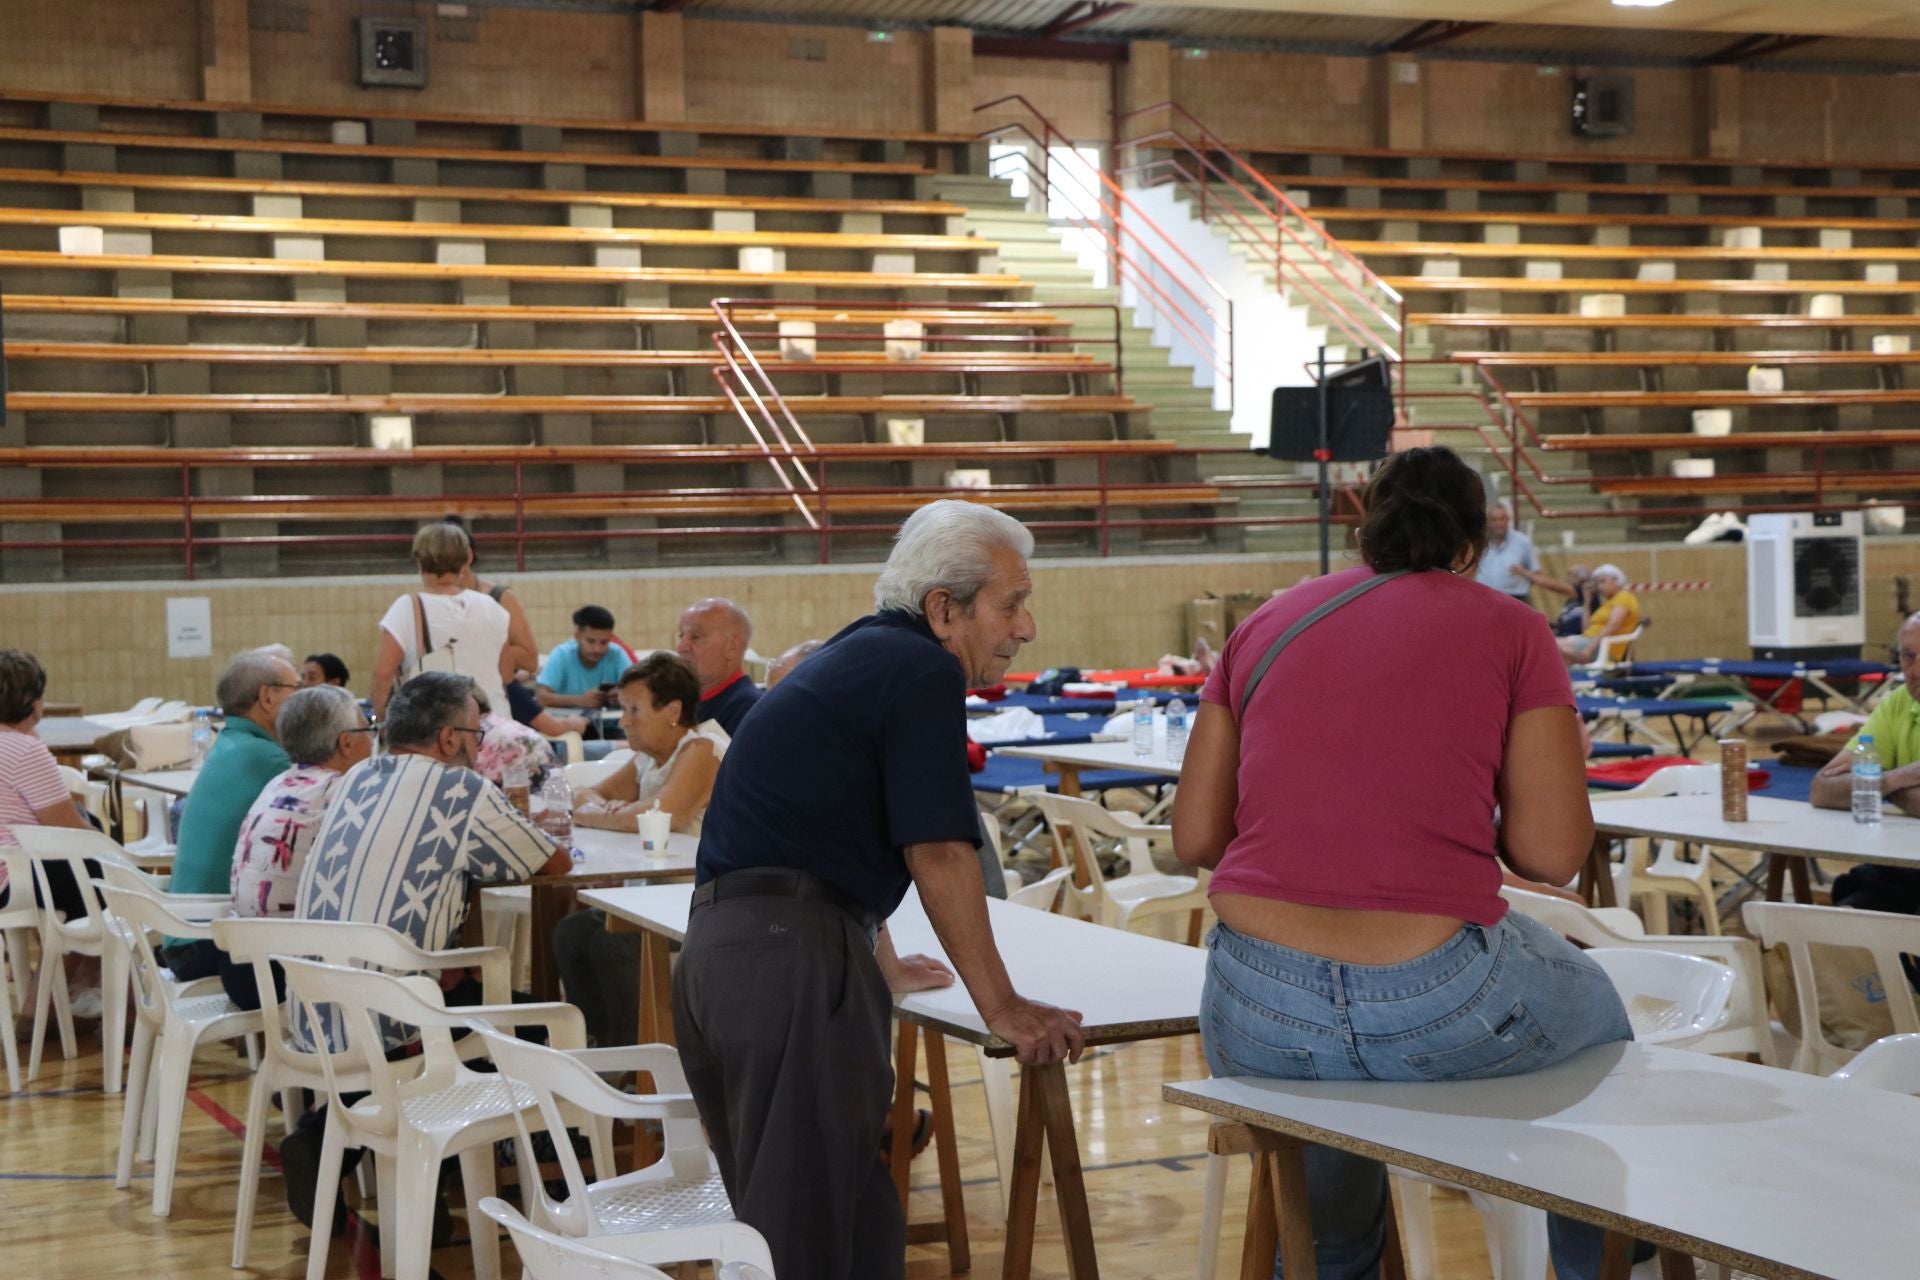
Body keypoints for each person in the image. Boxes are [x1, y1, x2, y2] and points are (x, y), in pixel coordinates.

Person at [1172, 446, 1630, 1280]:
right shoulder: (1514, 628)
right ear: (1474, 544)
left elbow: (1195, 838)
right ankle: (1601, 1267)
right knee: (1601, 1020)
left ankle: (1332, 1257)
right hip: (1439, 1001)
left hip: (1253, 1003)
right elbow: (1553, 855)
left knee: (1329, 1221)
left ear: (1363, 531)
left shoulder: (1265, 624)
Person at [674, 499, 1085, 1280]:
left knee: (851, 1222)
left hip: (741, 954)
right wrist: (1001, 1006)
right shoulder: (922, 667)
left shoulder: (863, 656)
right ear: (943, 608)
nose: (1025, 628)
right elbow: (937, 850)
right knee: (806, 1246)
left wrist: (876, 956)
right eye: (1012, 604)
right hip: (786, 964)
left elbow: (826, 829)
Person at [280, 671, 567, 1228]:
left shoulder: (355, 776)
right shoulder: (460, 790)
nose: (476, 746)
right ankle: (552, 1198)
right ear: (447, 738)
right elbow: (552, 863)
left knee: (461, 988)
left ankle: (362, 1157)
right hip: (391, 1018)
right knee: (541, 1025)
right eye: (474, 734)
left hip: (312, 1007)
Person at [553, 654, 727, 1047]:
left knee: (614, 943)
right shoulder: (649, 757)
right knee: (572, 932)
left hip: (705, 901)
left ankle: (640, 1055)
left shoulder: (703, 748)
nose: (624, 720)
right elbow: (583, 795)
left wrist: (600, 813)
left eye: (634, 709)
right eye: (622, 708)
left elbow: (660, 813)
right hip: (656, 894)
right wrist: (606, 810)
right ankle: (601, 1045)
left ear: (673, 711)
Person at [217, 685, 374, 1011]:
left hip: (239, 966)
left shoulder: (279, 783)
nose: (373, 741)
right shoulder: (342, 791)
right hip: (285, 978)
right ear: (346, 742)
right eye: (367, 730)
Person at [161, 649, 299, 981]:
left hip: (180, 934)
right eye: (298, 690)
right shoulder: (267, 759)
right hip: (206, 941)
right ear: (268, 697)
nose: (304, 702)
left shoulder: (230, 742)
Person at [0, 649, 108, 1011]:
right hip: (10, 877)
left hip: (8, 870)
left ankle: (82, 984)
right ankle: (44, 1002)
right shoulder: (23, 751)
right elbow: (71, 833)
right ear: (32, 703)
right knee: (104, 875)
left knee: (88, 876)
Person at [1811, 613, 1920, 910]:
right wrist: (1892, 779)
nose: (1917, 670)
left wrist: (1872, 784)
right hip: (1902, 864)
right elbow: (1822, 788)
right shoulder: (1900, 701)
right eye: (1909, 657)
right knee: (1846, 912)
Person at [370, 522, 514, 719]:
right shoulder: (493, 607)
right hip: (495, 724)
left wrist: (381, 721)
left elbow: (382, 676)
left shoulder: (407, 608)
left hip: (439, 730)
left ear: (419, 561)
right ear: (466, 559)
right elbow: (506, 674)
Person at [442, 516, 540, 675]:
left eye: (445, 556)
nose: (439, 565)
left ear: (468, 556)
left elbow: (530, 660)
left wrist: (475, 650)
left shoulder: (501, 597)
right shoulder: (427, 602)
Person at [676, 597, 762, 734]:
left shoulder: (748, 712)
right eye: (681, 635)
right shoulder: (680, 703)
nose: (681, 647)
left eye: (696, 636)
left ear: (732, 646)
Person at [537, 605, 633, 711]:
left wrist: (623, 695)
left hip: (610, 724)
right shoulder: (561, 654)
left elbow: (639, 690)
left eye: (604, 642)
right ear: (577, 635)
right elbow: (541, 697)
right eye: (591, 641)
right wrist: (580, 700)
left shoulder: (617, 654)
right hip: (568, 725)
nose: (597, 649)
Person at [1557, 563, 1639, 665]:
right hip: (1588, 640)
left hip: (1602, 646)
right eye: (1598, 583)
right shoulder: (1607, 604)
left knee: (1549, 644)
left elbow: (1613, 625)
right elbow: (1586, 630)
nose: (1600, 586)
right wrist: (1587, 602)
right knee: (1557, 656)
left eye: (1603, 581)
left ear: (1616, 580)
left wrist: (1590, 648)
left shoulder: (1624, 597)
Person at [1473, 499, 1542, 603]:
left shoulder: (1523, 542)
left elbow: (1536, 573)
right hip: (1485, 598)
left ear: (1508, 520)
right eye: (1494, 520)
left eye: (1502, 519)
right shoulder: (1479, 543)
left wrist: (1523, 573)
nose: (1498, 524)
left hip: (1516, 599)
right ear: (1488, 522)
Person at [1535, 564, 1596, 637]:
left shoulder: (1582, 592)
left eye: (1570, 574)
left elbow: (1553, 586)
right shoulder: (1572, 600)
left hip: (1573, 637)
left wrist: (1524, 573)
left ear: (1581, 578)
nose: (1566, 577)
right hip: (1562, 634)